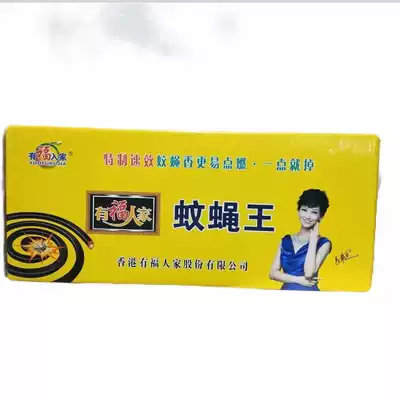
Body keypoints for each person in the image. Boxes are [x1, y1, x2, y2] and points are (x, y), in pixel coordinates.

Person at [269, 189, 332, 291]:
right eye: (304, 210)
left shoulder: (324, 243)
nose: (307, 216)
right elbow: (272, 273)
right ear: (298, 211)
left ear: (320, 216)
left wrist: (313, 242)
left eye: (314, 212)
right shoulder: (286, 240)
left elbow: (309, 273)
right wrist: (299, 280)